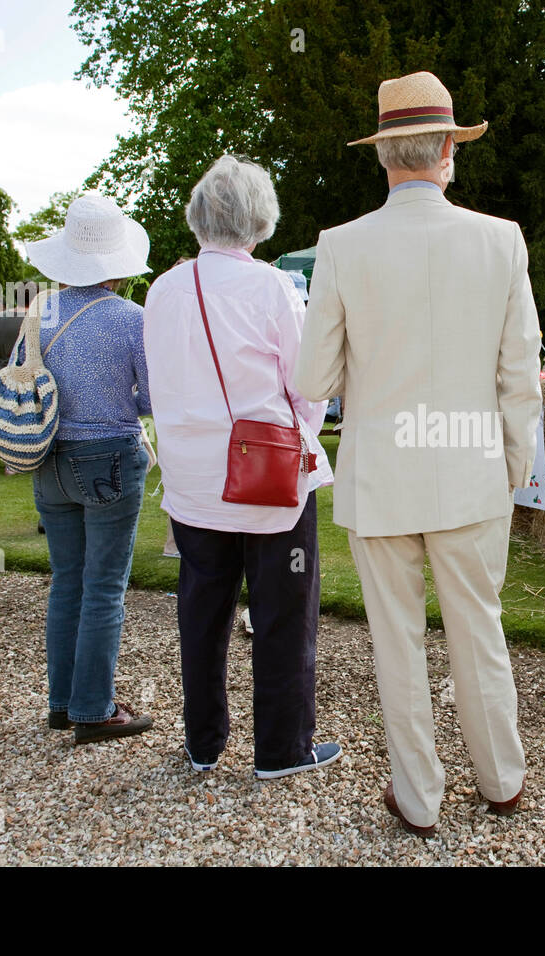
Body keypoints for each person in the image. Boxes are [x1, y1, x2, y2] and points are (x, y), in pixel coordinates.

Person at [297, 71, 541, 837]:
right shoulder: (500, 240)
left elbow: (313, 378)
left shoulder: (338, 247)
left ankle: (420, 797)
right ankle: (501, 781)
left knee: (396, 643)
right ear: (444, 150)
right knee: (481, 631)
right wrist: (509, 470)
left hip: (384, 476)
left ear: (384, 156)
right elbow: (519, 376)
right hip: (472, 473)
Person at [144, 156, 340, 778]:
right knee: (283, 610)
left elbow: (161, 380)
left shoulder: (163, 288)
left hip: (193, 478)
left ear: (199, 217)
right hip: (266, 474)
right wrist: (302, 427)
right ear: (258, 221)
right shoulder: (272, 286)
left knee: (202, 609)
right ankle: (282, 748)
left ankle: (203, 743)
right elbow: (308, 385)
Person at [23, 194, 156, 744]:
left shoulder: (40, 310)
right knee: (104, 587)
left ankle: (63, 700)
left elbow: (20, 383)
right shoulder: (131, 318)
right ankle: (93, 708)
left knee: (67, 583)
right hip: (108, 458)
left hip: (48, 458)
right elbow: (150, 397)